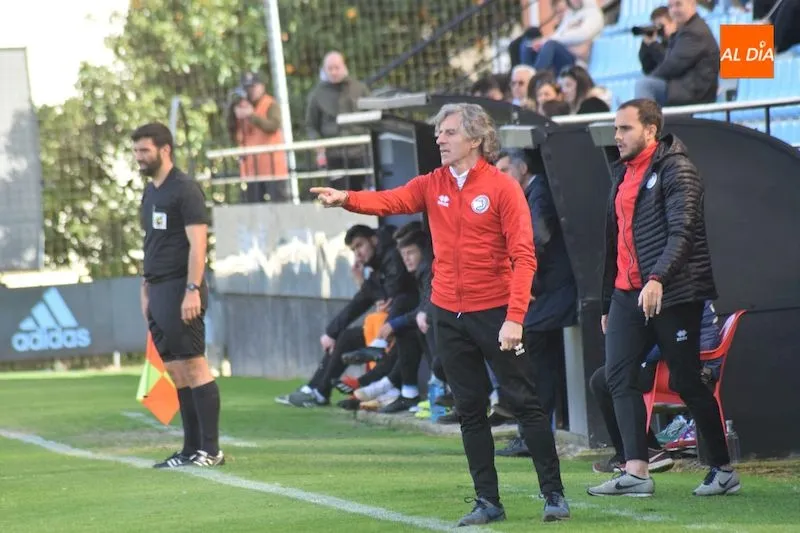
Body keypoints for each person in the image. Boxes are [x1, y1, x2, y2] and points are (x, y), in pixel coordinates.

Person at [310, 103, 570, 525]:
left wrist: (515, 316)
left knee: (525, 402)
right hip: (448, 312)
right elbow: (390, 200)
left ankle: (553, 494)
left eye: (448, 133)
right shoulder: (433, 184)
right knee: (469, 409)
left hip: (496, 312)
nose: (439, 139)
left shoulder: (503, 188)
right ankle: (488, 501)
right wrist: (346, 200)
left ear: (475, 138)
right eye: (439, 133)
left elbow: (524, 257)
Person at [587, 99, 740, 498]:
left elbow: (683, 231)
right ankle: (637, 470)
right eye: (616, 129)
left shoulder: (677, 168)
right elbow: (613, 244)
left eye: (625, 129)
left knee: (687, 381)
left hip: (672, 293)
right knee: (615, 378)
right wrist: (608, 302)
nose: (617, 136)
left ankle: (722, 469)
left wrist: (657, 279)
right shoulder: (621, 173)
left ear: (651, 131)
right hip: (626, 294)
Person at [134, 122, 223, 468]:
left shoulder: (185, 189)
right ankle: (190, 449)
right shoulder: (150, 192)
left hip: (180, 287)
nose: (139, 158)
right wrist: (145, 287)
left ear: (164, 150)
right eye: (136, 151)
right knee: (176, 371)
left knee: (195, 366)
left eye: (144, 151)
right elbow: (151, 243)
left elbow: (198, 244)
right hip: (156, 290)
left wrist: (192, 289)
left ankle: (212, 450)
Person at [590, 299, 721, 474]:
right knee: (608, 375)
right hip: (693, 364)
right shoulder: (691, 288)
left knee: (607, 379)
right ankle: (647, 450)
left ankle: (638, 453)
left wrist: (630, 352)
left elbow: (671, 340)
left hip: (683, 369)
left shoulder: (676, 294)